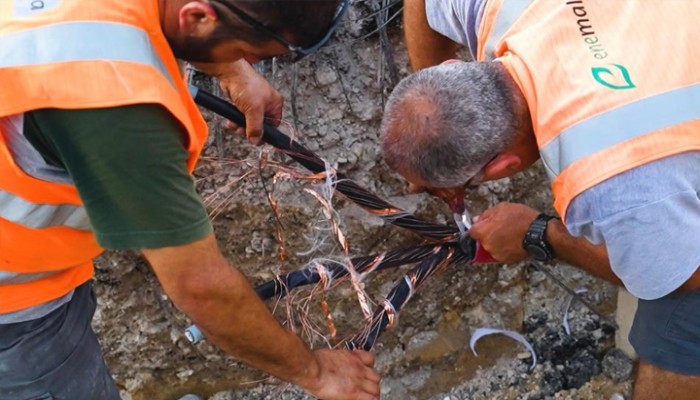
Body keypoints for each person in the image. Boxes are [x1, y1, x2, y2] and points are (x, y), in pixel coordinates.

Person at [0, 1, 382, 399]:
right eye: (247, 52)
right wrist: (318, 373)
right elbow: (200, 286)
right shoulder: (113, 104)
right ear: (198, 18)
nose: (247, 61)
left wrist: (230, 67)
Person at [380, 1, 700, 399]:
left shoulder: (609, 180)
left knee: (675, 335)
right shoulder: (494, 8)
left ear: (501, 167)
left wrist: (538, 235)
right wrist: (433, 119)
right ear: (449, 71)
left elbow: (683, 277)